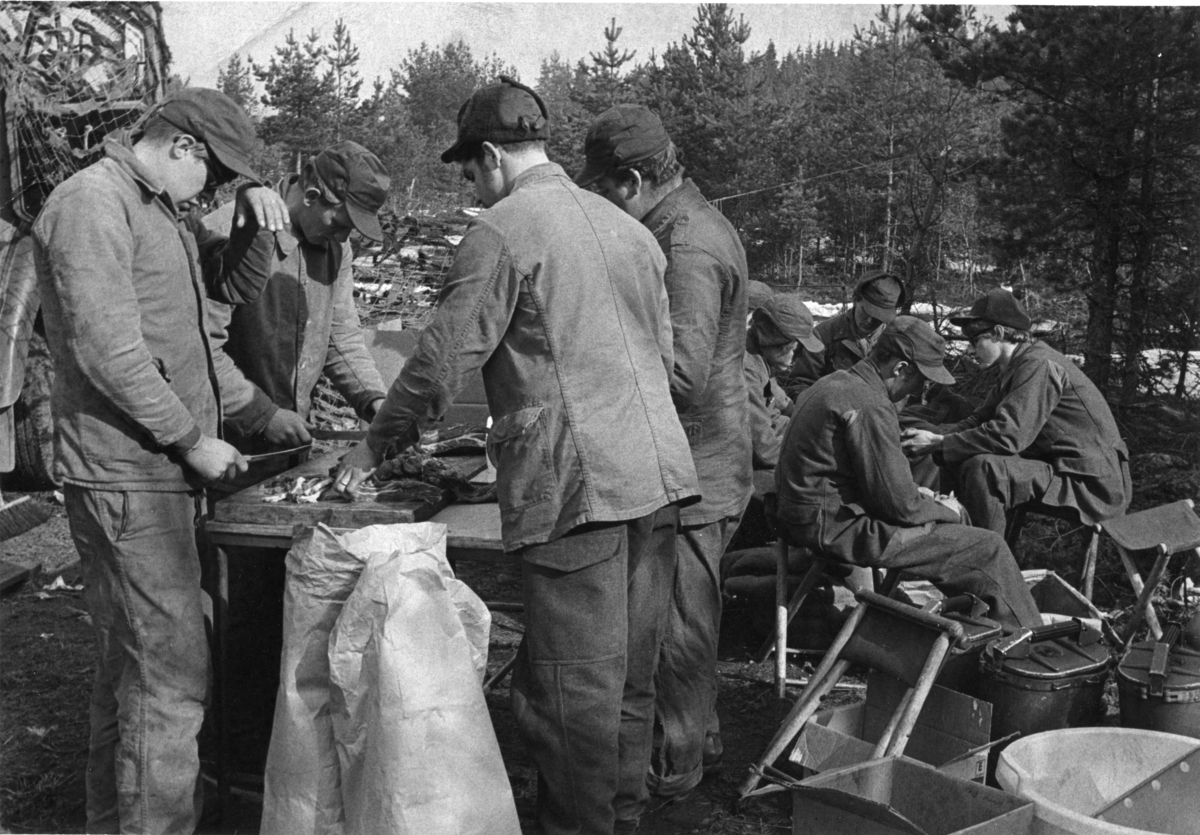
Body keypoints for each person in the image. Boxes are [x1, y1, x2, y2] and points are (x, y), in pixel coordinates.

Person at [331, 78, 700, 835]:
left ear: (491, 156)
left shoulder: (503, 230)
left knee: (571, 700)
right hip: (658, 478)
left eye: (470, 172)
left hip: (581, 492)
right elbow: (663, 362)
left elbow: (441, 361)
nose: (472, 188)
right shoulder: (630, 229)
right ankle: (622, 820)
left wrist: (375, 444)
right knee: (628, 684)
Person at [32, 87, 288, 833]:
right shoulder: (93, 204)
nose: (213, 191)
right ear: (183, 147)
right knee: (169, 680)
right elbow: (106, 351)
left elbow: (227, 295)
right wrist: (191, 439)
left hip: (151, 475)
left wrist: (251, 219)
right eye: (216, 174)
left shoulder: (160, 212)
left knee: (131, 673)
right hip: (126, 477)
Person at [576, 103, 752, 800]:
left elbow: (681, 375)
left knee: (677, 635)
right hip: (700, 463)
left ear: (633, 180)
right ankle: (696, 745)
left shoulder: (686, 246)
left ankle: (673, 778)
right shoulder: (687, 224)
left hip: (696, 472)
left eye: (604, 190)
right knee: (687, 627)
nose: (601, 205)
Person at [201, 140, 392, 771]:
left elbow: (341, 337)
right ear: (310, 195)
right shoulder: (231, 233)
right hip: (223, 450)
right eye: (340, 219)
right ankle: (228, 755)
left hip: (287, 450)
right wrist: (260, 412)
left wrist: (376, 404)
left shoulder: (333, 248)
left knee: (283, 600)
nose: (344, 234)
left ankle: (275, 746)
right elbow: (202, 349)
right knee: (230, 604)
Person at [776, 315, 1042, 632]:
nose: (920, 390)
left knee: (957, 534)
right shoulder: (869, 403)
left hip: (809, 517)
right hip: (836, 528)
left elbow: (865, 482)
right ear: (900, 368)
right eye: (922, 380)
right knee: (988, 548)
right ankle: (1027, 644)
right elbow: (899, 505)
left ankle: (976, 632)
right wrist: (946, 509)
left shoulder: (835, 382)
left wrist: (921, 498)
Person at [901, 288, 1131, 538]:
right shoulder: (1016, 365)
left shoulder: (1038, 365)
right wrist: (936, 438)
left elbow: (1008, 436)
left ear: (999, 333)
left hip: (1092, 484)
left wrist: (941, 442)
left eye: (975, 340)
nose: (969, 350)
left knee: (984, 468)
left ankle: (985, 553)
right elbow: (979, 419)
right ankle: (952, 538)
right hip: (1062, 468)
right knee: (953, 454)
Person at [783, 269, 906, 396]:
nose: (869, 321)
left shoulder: (898, 341)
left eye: (878, 317)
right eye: (865, 311)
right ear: (856, 300)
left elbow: (905, 390)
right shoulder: (824, 335)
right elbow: (799, 385)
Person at [744, 294, 824, 470]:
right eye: (794, 349)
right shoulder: (747, 371)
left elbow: (783, 404)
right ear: (773, 341)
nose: (797, 358)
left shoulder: (762, 359)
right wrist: (815, 455)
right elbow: (765, 451)